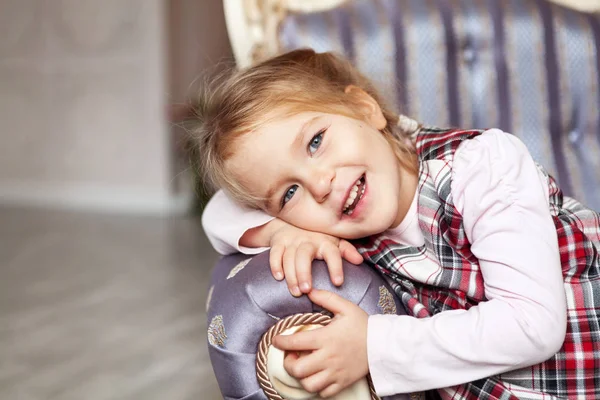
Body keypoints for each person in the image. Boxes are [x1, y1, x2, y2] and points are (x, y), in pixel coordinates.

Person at [190, 48, 600, 399]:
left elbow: (533, 326)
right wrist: (282, 230)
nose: (319, 184)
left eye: (316, 142)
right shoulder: (337, 219)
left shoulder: (479, 168)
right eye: (289, 193)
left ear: (365, 109)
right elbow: (218, 212)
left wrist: (371, 346)